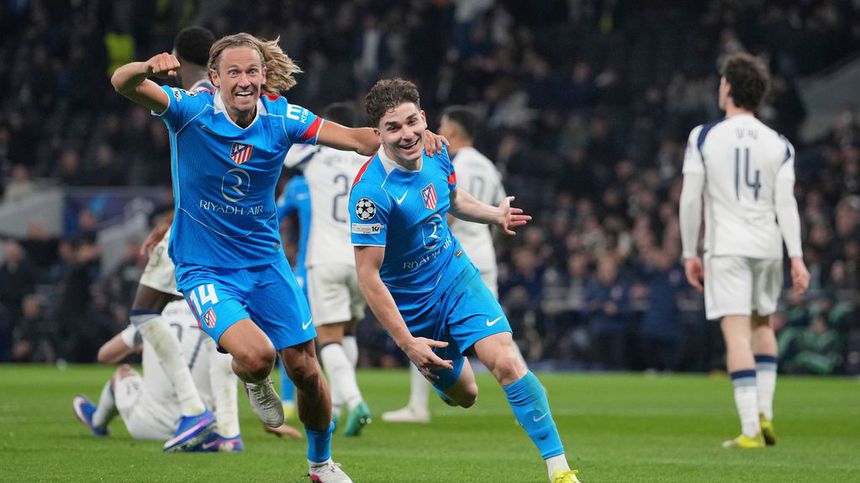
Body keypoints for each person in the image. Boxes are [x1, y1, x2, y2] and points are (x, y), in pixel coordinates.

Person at [111, 33, 442, 482]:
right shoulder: (189, 111)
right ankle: (253, 378)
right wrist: (147, 68)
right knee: (257, 357)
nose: (244, 81)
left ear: (264, 75)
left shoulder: (283, 117)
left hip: (266, 265)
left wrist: (411, 136)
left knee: (306, 370)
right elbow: (122, 82)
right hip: (204, 268)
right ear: (215, 78)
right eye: (233, 72)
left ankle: (321, 465)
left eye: (252, 71)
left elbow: (356, 139)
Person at [350, 78, 580, 483]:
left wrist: (495, 214)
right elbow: (367, 276)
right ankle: (446, 382)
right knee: (466, 396)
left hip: (456, 277)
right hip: (414, 309)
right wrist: (407, 342)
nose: (407, 134)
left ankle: (560, 470)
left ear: (424, 117)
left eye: (411, 122)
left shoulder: (438, 151)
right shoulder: (370, 193)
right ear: (378, 133)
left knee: (506, 362)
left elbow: (453, 199)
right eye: (393, 127)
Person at [679, 53, 810, 449]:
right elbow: (786, 204)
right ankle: (765, 413)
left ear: (729, 88)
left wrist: (689, 252)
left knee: (736, 336)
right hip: (768, 246)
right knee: (762, 326)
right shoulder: (779, 144)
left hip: (727, 247)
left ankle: (751, 428)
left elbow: (690, 199)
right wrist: (796, 256)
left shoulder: (704, 136)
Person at [119, 26, 220, 452]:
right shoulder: (226, 98)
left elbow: (124, 82)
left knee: (144, 311)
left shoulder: (190, 100)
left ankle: (194, 409)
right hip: (218, 224)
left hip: (195, 227)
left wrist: (147, 68)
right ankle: (227, 427)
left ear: (177, 58)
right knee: (219, 327)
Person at [382, 105, 509, 424]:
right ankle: (520, 386)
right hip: (483, 253)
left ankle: (418, 405)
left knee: (425, 330)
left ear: (452, 130)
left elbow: (443, 208)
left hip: (449, 258)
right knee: (494, 330)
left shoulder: (451, 161)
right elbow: (498, 209)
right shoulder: (488, 165)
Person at [71, 301, 258, 449]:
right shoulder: (219, 314)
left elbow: (105, 355)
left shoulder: (157, 314)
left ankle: (97, 421)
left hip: (147, 425)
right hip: (205, 429)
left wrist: (143, 343)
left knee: (124, 372)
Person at [299, 103, 372, 436]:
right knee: (350, 332)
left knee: (329, 338)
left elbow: (282, 145)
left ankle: (354, 401)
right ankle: (340, 406)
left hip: (325, 257)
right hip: (362, 258)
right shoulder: (368, 160)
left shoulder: (314, 155)